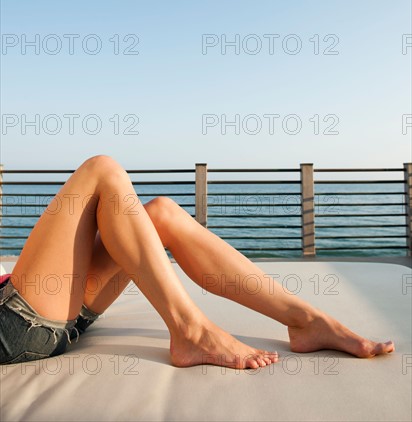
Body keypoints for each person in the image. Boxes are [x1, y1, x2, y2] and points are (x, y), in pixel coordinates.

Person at [0, 155, 395, 367]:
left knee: (162, 212)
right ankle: (190, 330)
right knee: (101, 171)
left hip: (53, 319)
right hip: (15, 323)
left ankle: (306, 321)